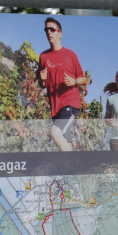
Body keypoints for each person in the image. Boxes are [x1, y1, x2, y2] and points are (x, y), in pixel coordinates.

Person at [38, 17, 88, 151]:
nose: (49, 32)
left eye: (52, 29)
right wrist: (41, 79)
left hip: (70, 103)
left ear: (60, 33)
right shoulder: (43, 57)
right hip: (55, 106)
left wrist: (74, 81)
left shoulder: (70, 55)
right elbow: (42, 83)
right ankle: (73, 165)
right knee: (66, 141)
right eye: (46, 30)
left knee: (55, 132)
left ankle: (68, 164)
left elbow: (83, 79)